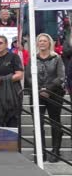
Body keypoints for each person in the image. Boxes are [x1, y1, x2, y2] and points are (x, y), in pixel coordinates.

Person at [25, 33, 65, 162]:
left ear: (49, 43)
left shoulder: (57, 58)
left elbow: (61, 77)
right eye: (40, 41)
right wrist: (39, 89)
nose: (42, 43)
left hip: (54, 94)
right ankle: (39, 151)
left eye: (44, 41)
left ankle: (55, 151)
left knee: (55, 122)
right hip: (37, 94)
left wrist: (48, 89)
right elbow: (28, 76)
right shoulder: (33, 58)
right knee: (38, 123)